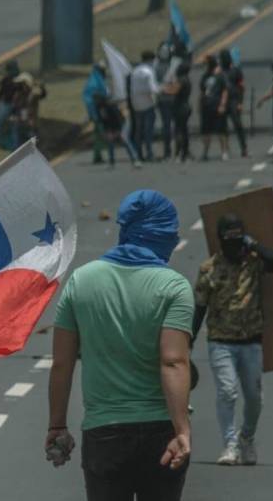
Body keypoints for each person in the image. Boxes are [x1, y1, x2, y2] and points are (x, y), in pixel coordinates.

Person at [48, 190, 194, 501]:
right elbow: (173, 362)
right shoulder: (174, 287)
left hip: (104, 433)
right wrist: (182, 430)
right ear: (162, 233)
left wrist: (57, 426)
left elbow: (62, 363)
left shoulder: (81, 281)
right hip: (161, 431)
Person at [192, 214, 273, 466]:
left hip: (251, 341)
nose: (234, 246)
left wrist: (253, 245)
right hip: (221, 341)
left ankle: (246, 438)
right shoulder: (209, 269)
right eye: (229, 240)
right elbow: (200, 307)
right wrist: (189, 339)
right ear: (220, 240)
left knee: (254, 397)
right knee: (227, 391)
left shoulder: (254, 263)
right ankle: (229, 445)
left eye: (238, 239)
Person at [91, 65, 140, 169]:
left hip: (122, 123)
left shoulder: (110, 106)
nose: (95, 101)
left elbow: (118, 119)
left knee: (124, 139)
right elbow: (103, 121)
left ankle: (135, 159)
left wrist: (117, 131)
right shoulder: (99, 108)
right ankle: (112, 162)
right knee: (110, 142)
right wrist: (108, 131)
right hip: (111, 126)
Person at [130, 51, 161, 162]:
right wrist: (161, 88)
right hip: (148, 104)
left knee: (138, 131)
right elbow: (153, 89)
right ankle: (149, 153)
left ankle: (138, 154)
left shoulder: (135, 71)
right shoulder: (149, 72)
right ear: (150, 60)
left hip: (136, 105)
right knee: (148, 131)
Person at [199, 54, 228, 161]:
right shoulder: (204, 76)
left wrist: (222, 104)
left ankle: (224, 152)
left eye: (206, 63)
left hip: (217, 105)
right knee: (206, 131)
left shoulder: (220, 76)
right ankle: (205, 152)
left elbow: (225, 91)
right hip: (206, 106)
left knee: (221, 130)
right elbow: (202, 91)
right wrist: (199, 105)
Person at [219, 49, 248, 158]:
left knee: (238, 124)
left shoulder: (236, 71)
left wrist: (240, 102)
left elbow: (242, 87)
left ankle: (244, 148)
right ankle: (225, 149)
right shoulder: (220, 72)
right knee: (222, 126)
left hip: (234, 100)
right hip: (222, 100)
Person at [164, 62, 192, 162]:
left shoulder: (181, 80)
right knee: (184, 130)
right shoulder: (186, 79)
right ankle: (185, 152)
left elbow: (174, 91)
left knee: (179, 131)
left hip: (180, 107)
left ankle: (180, 152)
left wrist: (164, 89)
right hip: (185, 106)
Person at [11, 72, 47, 149]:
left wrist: (41, 87)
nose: (20, 85)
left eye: (22, 83)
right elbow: (15, 106)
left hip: (30, 122)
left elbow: (42, 94)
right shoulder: (18, 93)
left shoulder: (33, 94)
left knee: (32, 143)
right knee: (17, 142)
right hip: (20, 121)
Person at [0, 60, 20, 148]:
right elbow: (0, 93)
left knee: (15, 125)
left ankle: (15, 144)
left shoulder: (20, 80)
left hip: (16, 105)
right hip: (5, 103)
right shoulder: (5, 80)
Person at [155, 43, 176, 160]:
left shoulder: (158, 66)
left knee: (168, 126)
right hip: (167, 99)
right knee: (170, 126)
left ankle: (170, 150)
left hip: (168, 99)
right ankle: (172, 150)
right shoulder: (171, 66)